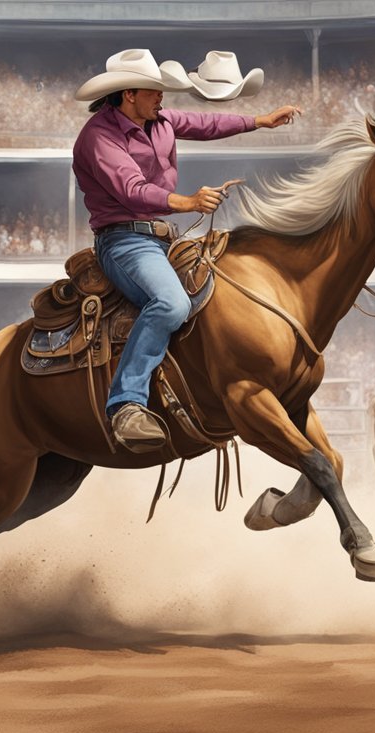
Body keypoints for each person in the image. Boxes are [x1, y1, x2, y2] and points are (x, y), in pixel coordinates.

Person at [72, 48, 301, 451]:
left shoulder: (159, 119)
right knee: (171, 303)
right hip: (123, 240)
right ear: (129, 95)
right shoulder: (98, 137)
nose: (162, 97)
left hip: (160, 237)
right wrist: (190, 202)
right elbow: (132, 191)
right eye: (153, 91)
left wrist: (258, 122)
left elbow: (206, 123)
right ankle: (125, 403)